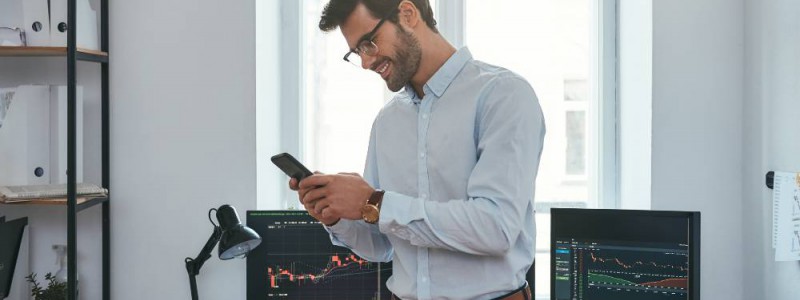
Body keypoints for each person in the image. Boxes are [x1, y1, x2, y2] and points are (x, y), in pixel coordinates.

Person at [289, 0, 545, 299]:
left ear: (407, 14)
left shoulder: (503, 95)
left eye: (368, 44)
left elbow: (496, 228)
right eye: (356, 52)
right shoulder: (387, 121)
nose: (366, 63)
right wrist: (334, 214)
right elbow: (382, 246)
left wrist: (375, 202)